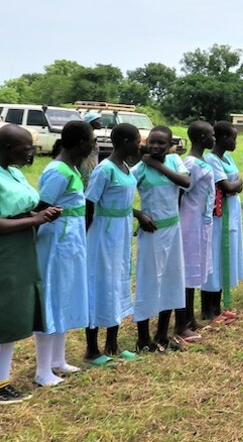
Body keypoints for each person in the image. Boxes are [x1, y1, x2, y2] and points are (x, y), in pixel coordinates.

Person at [0, 125, 64, 404]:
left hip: (21, 249)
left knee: (12, 316)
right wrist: (35, 220)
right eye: (25, 148)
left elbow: (20, 206)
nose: (31, 152)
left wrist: (39, 212)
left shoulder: (12, 172)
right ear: (6, 148)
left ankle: (3, 377)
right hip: (5, 251)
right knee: (3, 315)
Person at [32, 120, 93, 387]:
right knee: (52, 299)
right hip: (57, 242)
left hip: (71, 243)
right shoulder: (58, 171)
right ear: (81, 143)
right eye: (91, 140)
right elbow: (41, 208)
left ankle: (58, 359)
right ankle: (42, 369)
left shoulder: (72, 169)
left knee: (65, 296)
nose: (93, 144)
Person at [83, 122, 140, 365]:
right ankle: (92, 349)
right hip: (104, 235)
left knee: (117, 283)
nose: (140, 145)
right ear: (126, 142)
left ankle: (113, 345)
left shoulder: (125, 167)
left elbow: (125, 203)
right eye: (137, 140)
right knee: (100, 285)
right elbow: (89, 203)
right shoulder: (104, 169)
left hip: (122, 232)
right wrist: (87, 238)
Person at [132, 126, 191, 353]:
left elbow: (185, 182)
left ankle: (163, 335)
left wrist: (156, 164)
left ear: (170, 146)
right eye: (152, 143)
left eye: (161, 144)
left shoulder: (175, 161)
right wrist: (139, 214)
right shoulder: (138, 169)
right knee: (149, 283)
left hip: (173, 230)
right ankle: (143, 339)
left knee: (171, 281)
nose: (156, 147)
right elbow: (118, 197)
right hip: (152, 232)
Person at [200, 122, 243, 325]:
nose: (235, 142)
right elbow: (226, 185)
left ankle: (218, 307)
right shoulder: (211, 159)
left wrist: (235, 186)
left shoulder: (226, 158)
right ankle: (208, 310)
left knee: (223, 260)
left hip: (230, 215)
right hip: (218, 219)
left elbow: (235, 185)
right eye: (233, 138)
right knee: (214, 260)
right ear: (222, 138)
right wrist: (235, 185)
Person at [177, 121, 215, 342]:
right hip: (189, 223)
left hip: (201, 222)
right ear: (202, 138)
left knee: (194, 272)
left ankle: (190, 317)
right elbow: (180, 192)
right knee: (187, 273)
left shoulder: (202, 162)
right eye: (211, 135)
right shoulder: (190, 163)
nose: (214, 139)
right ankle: (181, 324)